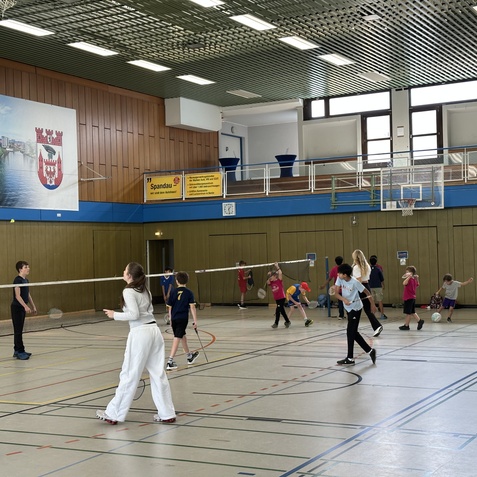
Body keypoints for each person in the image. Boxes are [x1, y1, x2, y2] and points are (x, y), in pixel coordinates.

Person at [97, 262, 176, 425]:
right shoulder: (144, 290)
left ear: (129, 275)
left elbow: (134, 314)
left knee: (129, 374)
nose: (123, 271)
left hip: (141, 334)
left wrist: (114, 315)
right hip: (154, 332)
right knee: (157, 374)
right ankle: (167, 413)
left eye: (125, 269)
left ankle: (114, 413)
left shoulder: (128, 291)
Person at [333, 263, 376, 366]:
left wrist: (372, 304)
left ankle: (350, 358)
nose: (338, 274)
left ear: (345, 275)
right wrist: (344, 299)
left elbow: (367, 292)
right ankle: (370, 351)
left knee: (350, 332)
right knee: (353, 333)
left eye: (339, 273)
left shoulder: (355, 282)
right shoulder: (339, 279)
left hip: (356, 308)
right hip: (348, 307)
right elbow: (336, 293)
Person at [166, 271, 199, 370]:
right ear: (187, 281)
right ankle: (170, 361)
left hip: (174, 319)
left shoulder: (173, 292)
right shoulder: (189, 293)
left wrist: (170, 319)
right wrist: (195, 321)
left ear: (176, 281)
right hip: (182, 319)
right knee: (177, 337)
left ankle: (189, 356)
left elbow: (170, 308)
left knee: (182, 336)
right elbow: (192, 307)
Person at [352, 250, 383, 337]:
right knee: (367, 309)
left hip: (360, 288)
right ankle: (377, 326)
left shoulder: (356, 268)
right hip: (366, 285)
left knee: (355, 309)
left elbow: (358, 280)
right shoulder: (367, 266)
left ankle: (353, 328)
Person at [11, 261, 37, 360]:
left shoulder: (26, 280)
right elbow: (17, 296)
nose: (28, 268)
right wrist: (25, 306)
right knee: (18, 331)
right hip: (17, 308)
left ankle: (17, 350)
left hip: (22, 307)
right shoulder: (17, 280)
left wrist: (33, 306)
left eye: (28, 267)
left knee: (19, 330)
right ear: (20, 269)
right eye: (26, 267)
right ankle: (20, 351)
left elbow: (28, 294)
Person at [399, 266, 424, 331]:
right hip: (412, 298)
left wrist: (409, 277)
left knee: (408, 313)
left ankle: (406, 325)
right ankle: (419, 321)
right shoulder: (414, 280)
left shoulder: (410, 279)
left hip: (408, 298)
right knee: (412, 312)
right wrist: (417, 278)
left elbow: (404, 283)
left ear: (411, 273)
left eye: (407, 272)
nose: (406, 273)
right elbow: (418, 284)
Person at [268, 263, 291, 329]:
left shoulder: (279, 281)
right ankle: (287, 321)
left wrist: (277, 266)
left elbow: (280, 273)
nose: (270, 278)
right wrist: (269, 276)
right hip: (277, 299)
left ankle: (276, 323)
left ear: (275, 276)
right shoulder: (271, 282)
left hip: (282, 297)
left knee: (278, 310)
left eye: (271, 276)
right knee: (281, 310)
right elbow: (267, 282)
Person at [369, 256, 387, 320]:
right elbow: (381, 279)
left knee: (372, 301)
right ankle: (382, 315)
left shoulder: (368, 269)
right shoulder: (378, 269)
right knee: (380, 301)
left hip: (370, 286)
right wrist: (383, 285)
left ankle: (372, 315)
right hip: (378, 286)